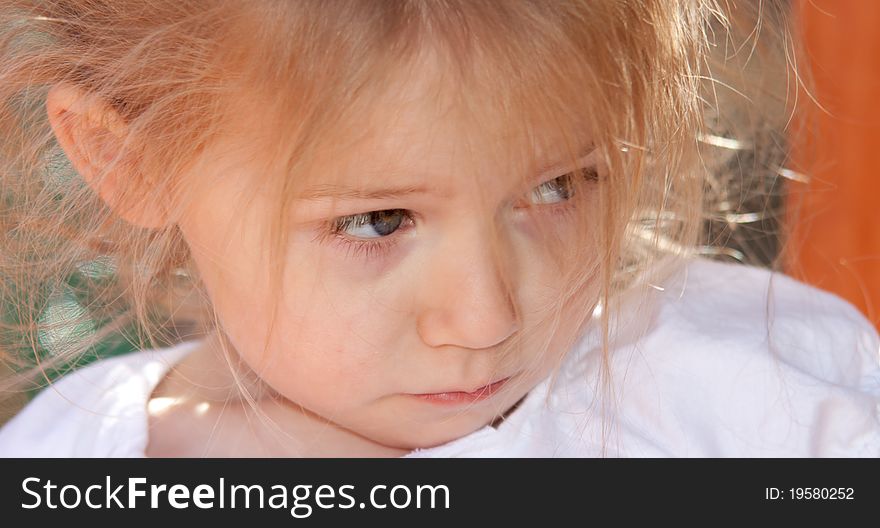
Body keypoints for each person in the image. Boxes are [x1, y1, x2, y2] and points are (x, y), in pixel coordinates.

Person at [0, 0, 877, 457]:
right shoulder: (68, 456)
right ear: (132, 161)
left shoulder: (754, 398)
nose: (488, 318)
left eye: (559, 186)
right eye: (378, 221)